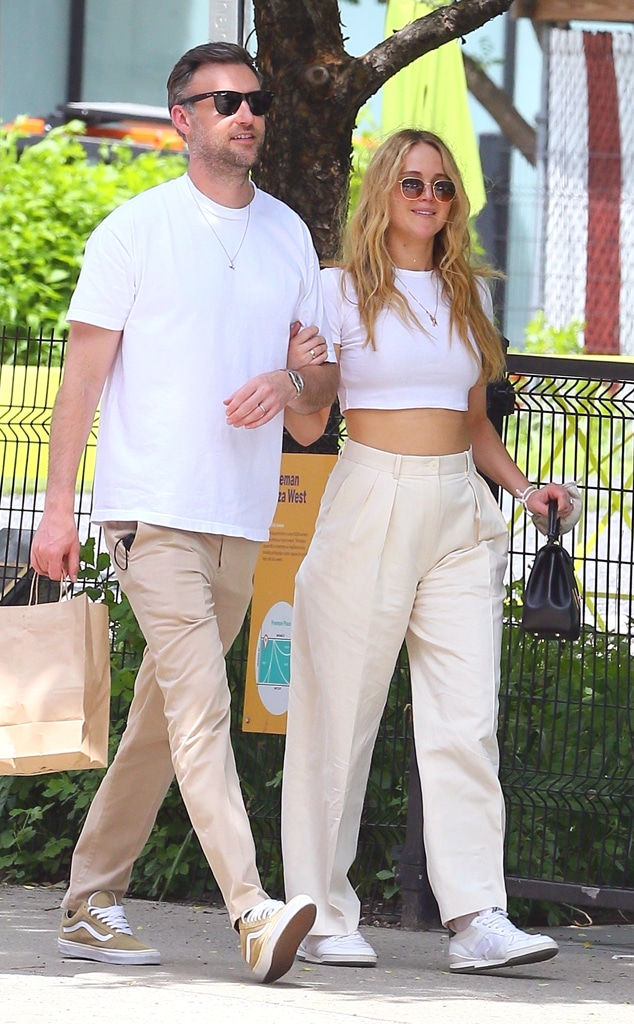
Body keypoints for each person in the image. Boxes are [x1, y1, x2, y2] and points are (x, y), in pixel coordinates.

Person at [30, 41, 339, 984]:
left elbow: (319, 399)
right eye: (225, 101)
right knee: (202, 705)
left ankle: (89, 899)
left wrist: (285, 379)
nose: (248, 114)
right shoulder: (134, 230)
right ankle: (252, 910)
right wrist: (56, 516)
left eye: (257, 100)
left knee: (164, 718)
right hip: (148, 510)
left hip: (241, 516)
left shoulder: (289, 235)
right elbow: (79, 385)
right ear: (183, 120)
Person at [281, 128, 580, 974]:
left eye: (443, 187)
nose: (428, 198)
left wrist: (523, 490)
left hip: (459, 502)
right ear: (385, 191)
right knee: (340, 713)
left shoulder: (469, 296)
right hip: (370, 492)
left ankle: (478, 916)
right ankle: (321, 910)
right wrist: (305, 372)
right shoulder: (337, 290)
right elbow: (308, 424)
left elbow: (474, 422)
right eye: (413, 183)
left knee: (465, 719)